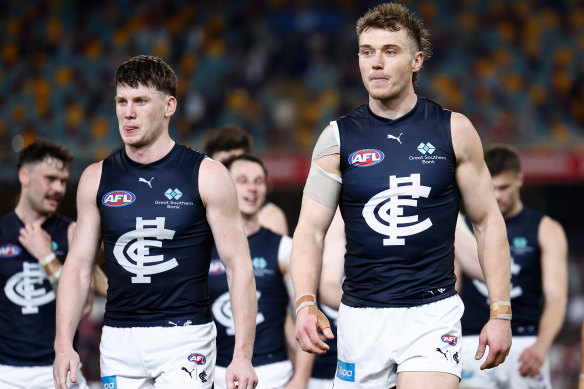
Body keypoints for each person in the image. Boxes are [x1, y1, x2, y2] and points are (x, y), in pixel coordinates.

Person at [290, 3, 512, 388]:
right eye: (366, 52)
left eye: (390, 51)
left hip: (431, 314)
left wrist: (501, 311)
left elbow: (487, 221)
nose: (375, 63)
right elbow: (309, 231)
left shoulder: (454, 131)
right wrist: (305, 303)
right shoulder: (335, 139)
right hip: (360, 317)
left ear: (416, 61)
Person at [53, 55, 258, 389]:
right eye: (121, 101)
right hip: (118, 340)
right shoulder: (95, 178)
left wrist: (242, 355)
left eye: (140, 101)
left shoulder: (207, 175)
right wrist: (64, 345)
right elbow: (77, 267)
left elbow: (239, 267)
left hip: (185, 338)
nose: (128, 113)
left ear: (169, 106)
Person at [459, 144, 568, 389]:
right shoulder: (463, 228)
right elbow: (452, 286)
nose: (497, 195)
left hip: (525, 343)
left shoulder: (546, 228)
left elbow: (556, 296)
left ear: (520, 179)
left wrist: (542, 345)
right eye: (491, 187)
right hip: (472, 342)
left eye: (504, 187)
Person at [0, 139, 103, 389]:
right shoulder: (1, 233)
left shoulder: (72, 233)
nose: (58, 188)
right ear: (24, 176)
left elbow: (86, 305)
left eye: (63, 180)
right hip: (6, 373)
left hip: (59, 369)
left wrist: (47, 256)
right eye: (50, 178)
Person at [209, 154, 308, 388]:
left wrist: (301, 378)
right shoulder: (202, 247)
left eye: (258, 181)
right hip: (212, 371)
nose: (252, 187)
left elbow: (306, 315)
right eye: (242, 180)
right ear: (226, 186)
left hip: (272, 373)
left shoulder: (284, 247)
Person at [203, 124, 289, 235]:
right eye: (224, 164)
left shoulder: (268, 217)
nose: (230, 171)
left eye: (239, 162)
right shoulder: (195, 212)